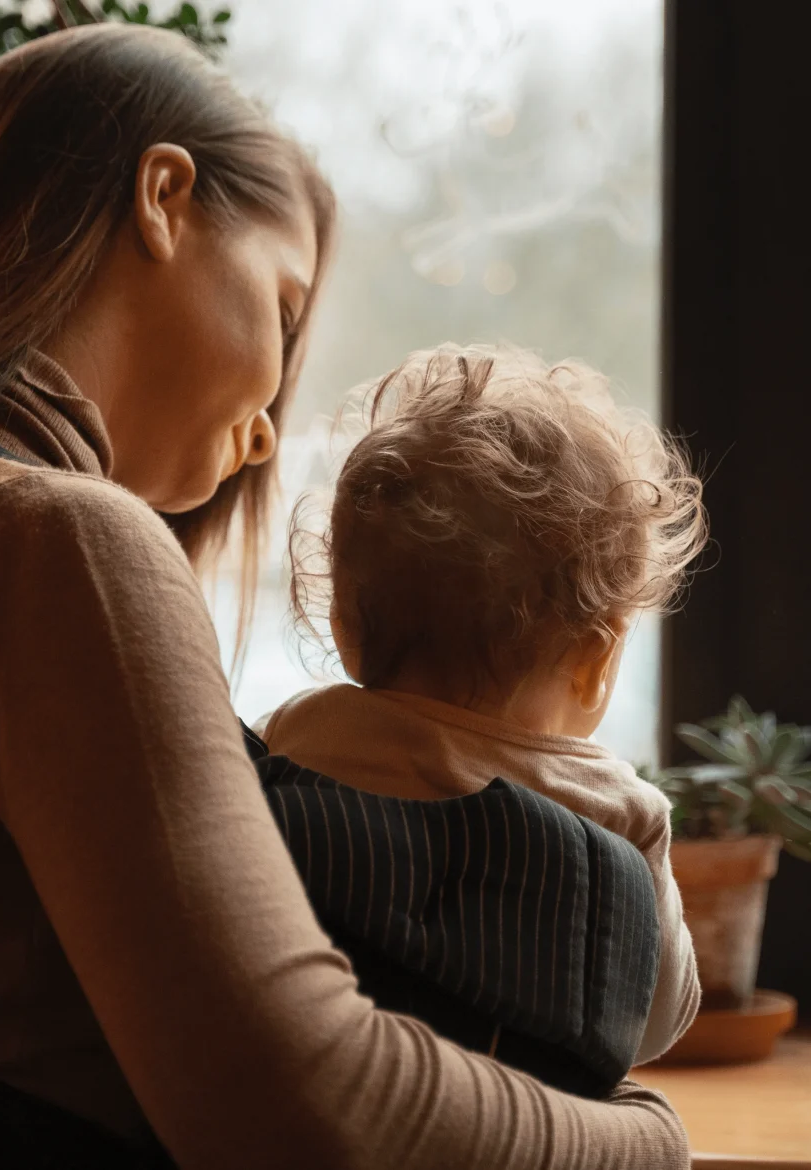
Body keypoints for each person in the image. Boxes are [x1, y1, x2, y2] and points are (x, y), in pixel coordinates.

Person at [0, 26, 690, 1170]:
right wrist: (644, 1144)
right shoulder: (38, 538)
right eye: (282, 307)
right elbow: (305, 1102)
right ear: (165, 197)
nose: (272, 419)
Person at [259, 345, 705, 1090]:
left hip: (321, 1103)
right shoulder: (619, 813)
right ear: (594, 660)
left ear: (343, 624)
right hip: (519, 1131)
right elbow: (653, 1024)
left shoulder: (296, 737)